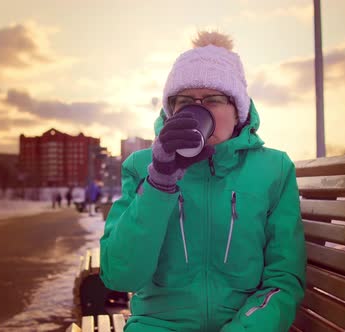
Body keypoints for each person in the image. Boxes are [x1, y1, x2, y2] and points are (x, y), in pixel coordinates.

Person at [100, 31, 306, 332]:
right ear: (171, 112)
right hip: (159, 324)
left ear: (238, 111)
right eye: (185, 101)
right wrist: (160, 181)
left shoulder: (274, 169)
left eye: (213, 99)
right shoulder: (142, 167)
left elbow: (283, 278)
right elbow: (120, 275)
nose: (199, 110)